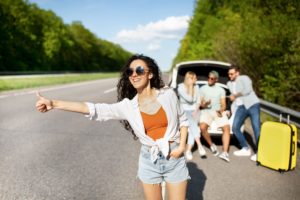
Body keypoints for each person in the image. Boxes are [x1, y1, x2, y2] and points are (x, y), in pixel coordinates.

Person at [35, 54, 190, 200]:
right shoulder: (128, 106)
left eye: (139, 70)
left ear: (150, 74)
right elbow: (94, 109)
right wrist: (54, 103)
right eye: (130, 71)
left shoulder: (168, 95)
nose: (134, 74)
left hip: (174, 158)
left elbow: (183, 120)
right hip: (150, 160)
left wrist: (181, 147)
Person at [227, 66, 260, 162]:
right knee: (235, 127)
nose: (230, 76)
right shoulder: (229, 83)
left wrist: (235, 95)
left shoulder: (244, 78)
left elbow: (248, 90)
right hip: (241, 107)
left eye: (232, 74)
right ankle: (245, 148)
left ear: (237, 73)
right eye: (229, 74)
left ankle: (259, 153)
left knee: (256, 128)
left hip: (252, 105)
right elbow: (234, 98)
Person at [198, 70, 231, 162]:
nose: (209, 79)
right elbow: (200, 104)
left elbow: (223, 104)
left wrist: (221, 110)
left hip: (218, 111)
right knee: (202, 127)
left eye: (212, 78)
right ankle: (212, 145)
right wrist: (205, 104)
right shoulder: (203, 89)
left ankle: (225, 153)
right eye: (209, 77)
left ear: (216, 79)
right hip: (206, 111)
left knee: (227, 128)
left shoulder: (221, 90)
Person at [177, 71, 206, 160]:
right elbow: (189, 99)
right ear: (189, 79)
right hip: (184, 110)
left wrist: (196, 110)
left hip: (195, 110)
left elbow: (198, 101)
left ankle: (188, 150)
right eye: (194, 78)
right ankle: (199, 145)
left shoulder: (196, 87)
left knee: (192, 128)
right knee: (194, 127)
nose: (196, 80)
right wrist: (190, 87)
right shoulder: (181, 87)